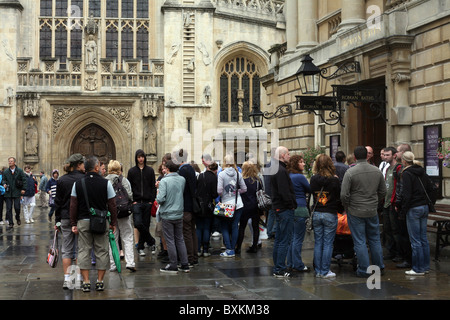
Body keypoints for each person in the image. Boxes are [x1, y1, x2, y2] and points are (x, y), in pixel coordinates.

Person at [70, 156, 117, 292]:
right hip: (101, 221)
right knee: (101, 250)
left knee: (83, 250)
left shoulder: (78, 184)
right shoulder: (106, 183)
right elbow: (112, 205)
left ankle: (85, 282)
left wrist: (73, 222)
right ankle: (100, 281)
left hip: (83, 221)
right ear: (97, 168)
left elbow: (73, 205)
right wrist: (113, 222)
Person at [341, 146, 386, 278]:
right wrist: (375, 202)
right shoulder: (376, 171)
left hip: (355, 210)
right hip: (372, 210)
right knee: (375, 239)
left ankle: (364, 269)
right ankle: (379, 267)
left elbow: (344, 194)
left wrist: (347, 206)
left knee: (359, 241)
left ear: (354, 157)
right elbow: (383, 191)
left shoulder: (350, 172)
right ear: (367, 156)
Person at [54, 153, 86, 290]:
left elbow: (58, 202)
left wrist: (57, 221)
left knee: (66, 249)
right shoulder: (84, 179)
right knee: (80, 249)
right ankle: (76, 278)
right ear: (78, 165)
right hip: (80, 218)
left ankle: (67, 280)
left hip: (65, 217)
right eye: (83, 163)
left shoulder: (61, 180)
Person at [399, 151, 432, 276]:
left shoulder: (407, 173)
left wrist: (403, 211)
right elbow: (431, 187)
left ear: (404, 161)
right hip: (424, 207)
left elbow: (407, 195)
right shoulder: (421, 171)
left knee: (415, 240)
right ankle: (425, 266)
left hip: (413, 208)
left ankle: (417, 268)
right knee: (423, 238)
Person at [310, 154, 341, 279]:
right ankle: (325, 270)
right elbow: (338, 197)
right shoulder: (334, 180)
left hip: (317, 212)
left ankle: (318, 271)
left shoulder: (313, 179)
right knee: (328, 243)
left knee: (318, 242)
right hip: (330, 212)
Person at [157, 160, 190, 274]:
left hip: (168, 213)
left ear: (168, 169)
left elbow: (161, 199)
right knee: (180, 239)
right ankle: (185, 264)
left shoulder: (164, 181)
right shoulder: (182, 179)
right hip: (179, 212)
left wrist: (158, 194)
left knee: (170, 240)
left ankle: (173, 264)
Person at [270, 147, 296, 277]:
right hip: (284, 209)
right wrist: (291, 205)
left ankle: (277, 265)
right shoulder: (280, 170)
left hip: (279, 207)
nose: (289, 156)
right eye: (288, 154)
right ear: (282, 155)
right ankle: (279, 268)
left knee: (279, 239)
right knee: (284, 240)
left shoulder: (277, 169)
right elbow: (284, 191)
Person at [106, 160, 136, 272]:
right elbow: (130, 195)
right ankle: (130, 262)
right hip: (123, 212)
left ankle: (114, 264)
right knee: (127, 237)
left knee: (113, 238)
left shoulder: (105, 181)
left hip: (110, 214)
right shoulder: (124, 180)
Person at [217, 153, 247, 257]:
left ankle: (228, 249)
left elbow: (219, 191)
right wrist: (236, 192)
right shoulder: (238, 173)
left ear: (224, 162)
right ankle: (233, 248)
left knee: (224, 227)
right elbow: (244, 189)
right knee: (235, 226)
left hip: (226, 204)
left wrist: (226, 193)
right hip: (238, 203)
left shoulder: (221, 174)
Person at [127, 149, 157, 256]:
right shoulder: (131, 171)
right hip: (136, 202)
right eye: (139, 157)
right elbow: (129, 187)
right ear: (136, 158)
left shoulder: (150, 171)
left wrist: (151, 200)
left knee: (146, 224)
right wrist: (132, 201)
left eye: (142, 157)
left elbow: (153, 186)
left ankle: (140, 247)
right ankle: (151, 241)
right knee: (138, 223)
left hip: (147, 202)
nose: (141, 159)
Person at [172, 148, 199, 266]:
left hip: (185, 206)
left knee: (186, 232)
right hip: (192, 205)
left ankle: (189, 258)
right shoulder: (191, 169)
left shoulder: (182, 170)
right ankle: (194, 256)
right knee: (192, 231)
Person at [286, 154, 311, 273]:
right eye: (301, 162)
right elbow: (310, 189)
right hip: (300, 208)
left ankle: (290, 263)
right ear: (296, 164)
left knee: (291, 238)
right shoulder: (299, 177)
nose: (304, 164)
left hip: (290, 209)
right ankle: (298, 264)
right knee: (298, 239)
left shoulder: (288, 176)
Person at [381, 147, 402, 262]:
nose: (385, 157)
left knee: (395, 229)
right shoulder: (387, 168)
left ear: (394, 155)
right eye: (384, 155)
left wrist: (397, 202)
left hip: (393, 203)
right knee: (387, 229)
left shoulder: (398, 168)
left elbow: (399, 187)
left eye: (387, 155)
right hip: (386, 203)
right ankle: (391, 251)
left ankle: (399, 253)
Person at [393, 143, 413, 269]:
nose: (396, 154)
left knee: (405, 235)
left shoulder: (404, 172)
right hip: (416, 206)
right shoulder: (418, 169)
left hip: (407, 208)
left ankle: (408, 260)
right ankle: (421, 264)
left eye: (398, 151)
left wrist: (398, 204)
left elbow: (402, 190)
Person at [236, 161, 261, 254]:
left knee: (242, 227)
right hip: (255, 205)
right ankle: (254, 246)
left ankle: (238, 247)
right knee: (255, 227)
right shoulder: (257, 180)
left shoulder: (241, 180)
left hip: (244, 206)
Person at [196, 162, 218, 257]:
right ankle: (205, 249)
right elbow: (215, 194)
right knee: (207, 227)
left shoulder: (200, 176)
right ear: (216, 170)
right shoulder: (214, 178)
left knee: (199, 227)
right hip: (209, 205)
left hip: (199, 205)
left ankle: (197, 249)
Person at [2, 157, 27, 229]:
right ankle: (11, 223)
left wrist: (23, 189)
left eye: (11, 161)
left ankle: (17, 217)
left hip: (17, 192)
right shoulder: (6, 171)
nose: (10, 162)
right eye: (9, 161)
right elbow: (3, 180)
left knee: (17, 207)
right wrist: (4, 184)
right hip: (8, 192)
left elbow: (24, 180)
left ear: (14, 162)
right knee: (8, 208)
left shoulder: (19, 171)